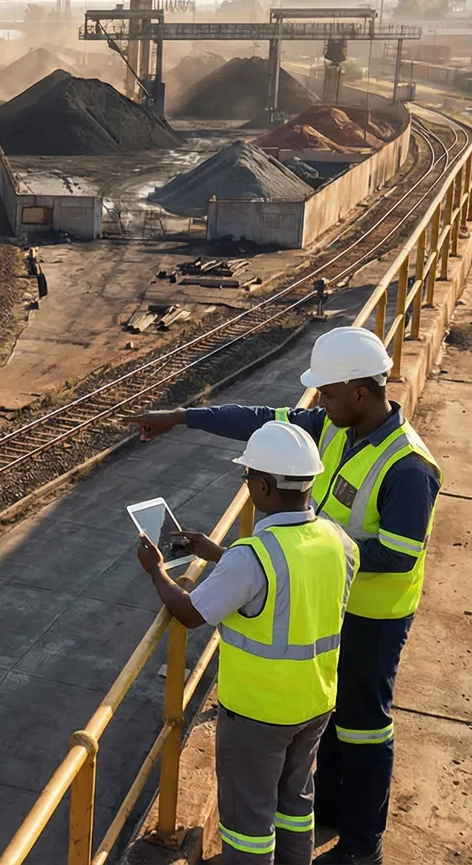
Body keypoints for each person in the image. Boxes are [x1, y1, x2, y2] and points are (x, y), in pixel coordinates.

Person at [128, 326, 441, 864]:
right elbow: (259, 421)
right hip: (322, 606)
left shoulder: (409, 467)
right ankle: (333, 812)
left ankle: (363, 848)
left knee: (365, 731)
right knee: (328, 736)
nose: (319, 402)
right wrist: (183, 417)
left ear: (360, 391)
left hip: (372, 621)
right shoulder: (334, 429)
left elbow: (400, 555)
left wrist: (310, 549)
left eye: (328, 393)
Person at [137, 421, 358, 865]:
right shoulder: (337, 540)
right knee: (295, 804)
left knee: (248, 824)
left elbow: (191, 613)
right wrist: (217, 553)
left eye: (248, 477)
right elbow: (288, 583)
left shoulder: (252, 557)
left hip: (259, 713)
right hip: (315, 701)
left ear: (262, 484)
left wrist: (156, 571)